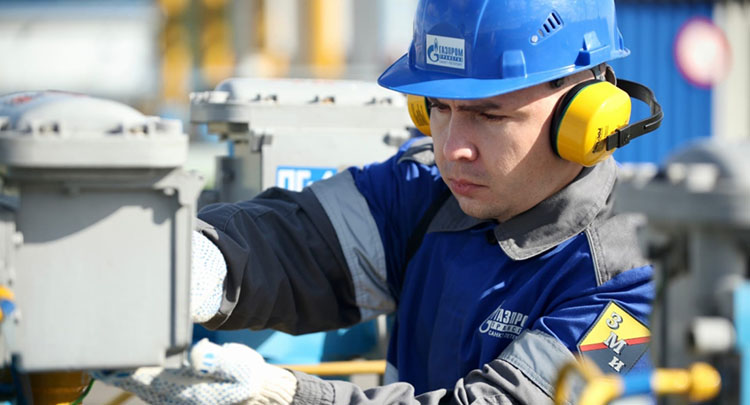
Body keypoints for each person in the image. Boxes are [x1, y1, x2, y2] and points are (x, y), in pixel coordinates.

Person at [97, 0, 660, 403]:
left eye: (489, 115)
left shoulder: (634, 286)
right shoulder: (425, 191)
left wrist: (281, 394)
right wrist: (192, 264)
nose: (452, 148)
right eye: (438, 108)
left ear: (587, 118)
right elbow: (297, 243)